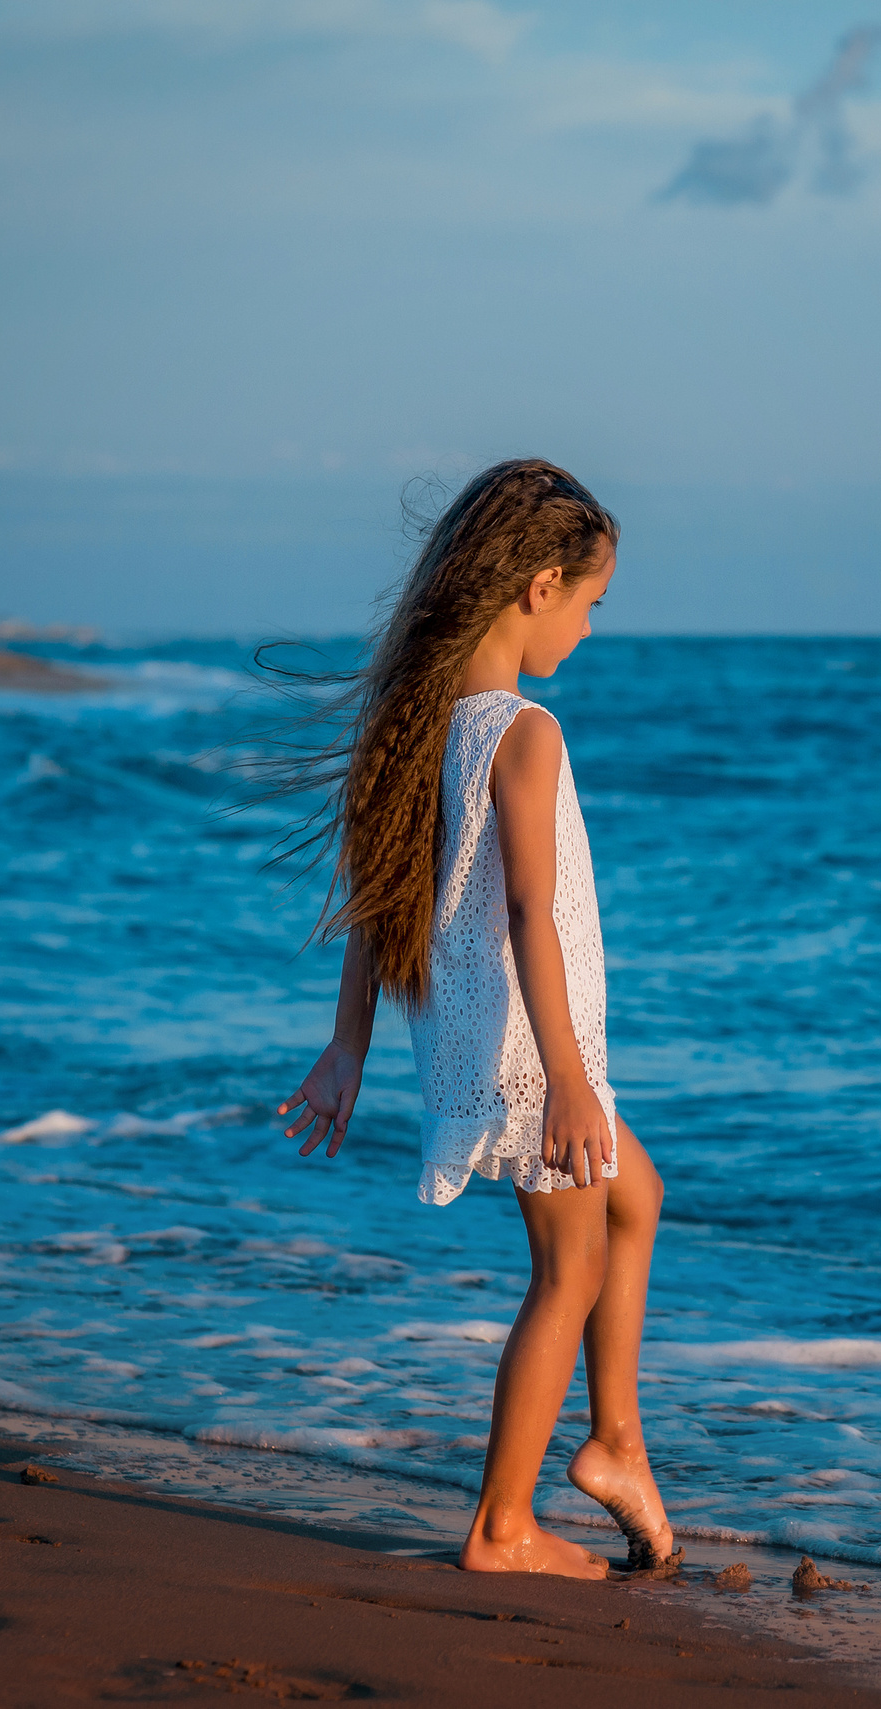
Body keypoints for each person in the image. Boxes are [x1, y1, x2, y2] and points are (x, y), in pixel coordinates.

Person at [272, 459, 678, 1579]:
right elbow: (528, 912)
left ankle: (614, 1441)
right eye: (591, 603)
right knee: (568, 1272)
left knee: (636, 1198)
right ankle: (503, 1525)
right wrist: (567, 1079)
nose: (589, 629)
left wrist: (346, 1046)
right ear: (539, 586)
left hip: (489, 1043)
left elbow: (377, 900)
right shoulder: (522, 732)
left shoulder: (420, 730)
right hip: (533, 1050)